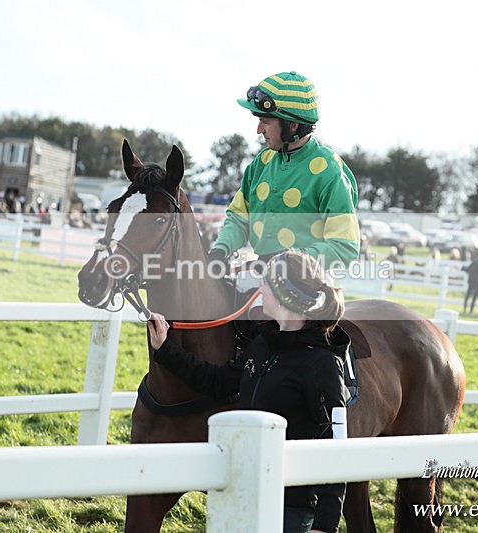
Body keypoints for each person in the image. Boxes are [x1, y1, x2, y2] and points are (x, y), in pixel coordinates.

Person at [147, 250, 348, 533]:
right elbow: (217, 382)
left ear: (283, 295)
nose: (260, 289)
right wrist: (165, 348)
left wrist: (325, 526)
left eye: (266, 284)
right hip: (244, 493)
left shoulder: (322, 363)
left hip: (290, 509)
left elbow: (334, 442)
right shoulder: (264, 344)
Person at [207, 71, 360, 286]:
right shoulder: (262, 162)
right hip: (262, 274)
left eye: (265, 122)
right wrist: (220, 250)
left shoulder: (330, 171)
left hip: (310, 283)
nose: (259, 130)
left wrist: (288, 260)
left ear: (293, 126)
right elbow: (239, 219)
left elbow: (344, 246)